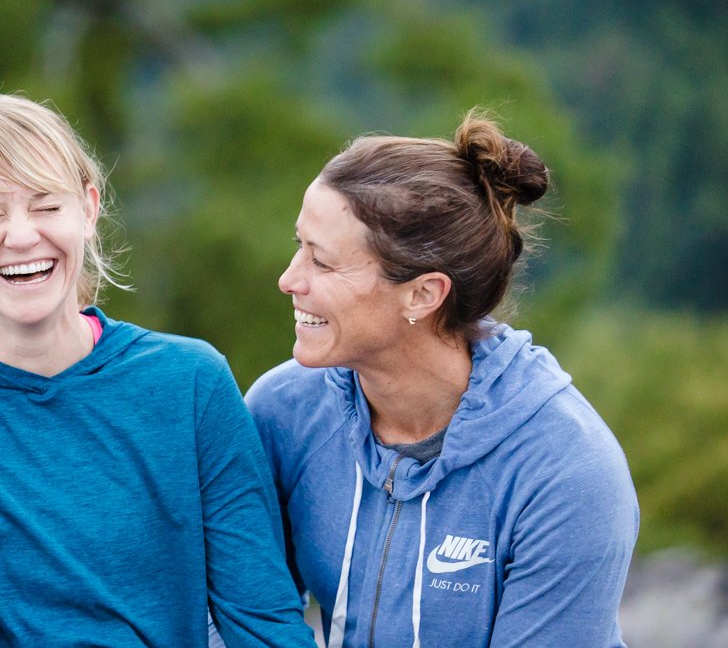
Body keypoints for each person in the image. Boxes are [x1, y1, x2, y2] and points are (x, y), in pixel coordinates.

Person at [0, 89, 315, 647]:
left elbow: (264, 624)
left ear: (88, 211)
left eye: (45, 206)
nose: (21, 236)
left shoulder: (190, 382)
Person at [245, 110, 639, 647]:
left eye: (323, 262)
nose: (289, 279)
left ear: (424, 294)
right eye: (299, 246)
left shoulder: (567, 470)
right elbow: (234, 613)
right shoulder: (284, 411)